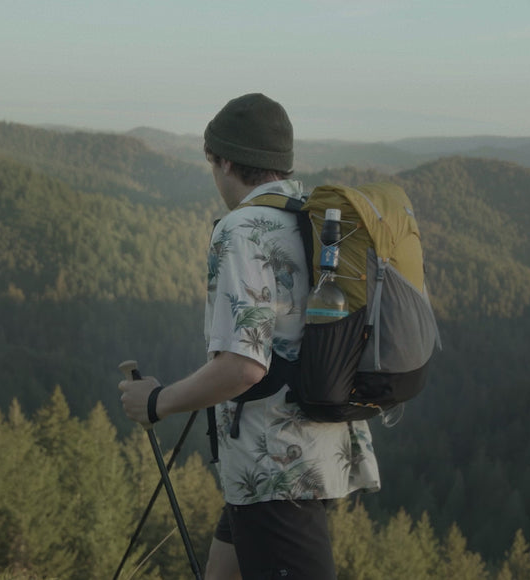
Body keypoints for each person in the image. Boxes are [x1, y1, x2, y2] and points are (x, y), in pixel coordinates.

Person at [119, 93, 380, 579]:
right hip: (312, 449)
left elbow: (244, 366)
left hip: (273, 467)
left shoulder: (243, 229)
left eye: (211, 162)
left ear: (225, 161)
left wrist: (156, 402)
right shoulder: (311, 218)